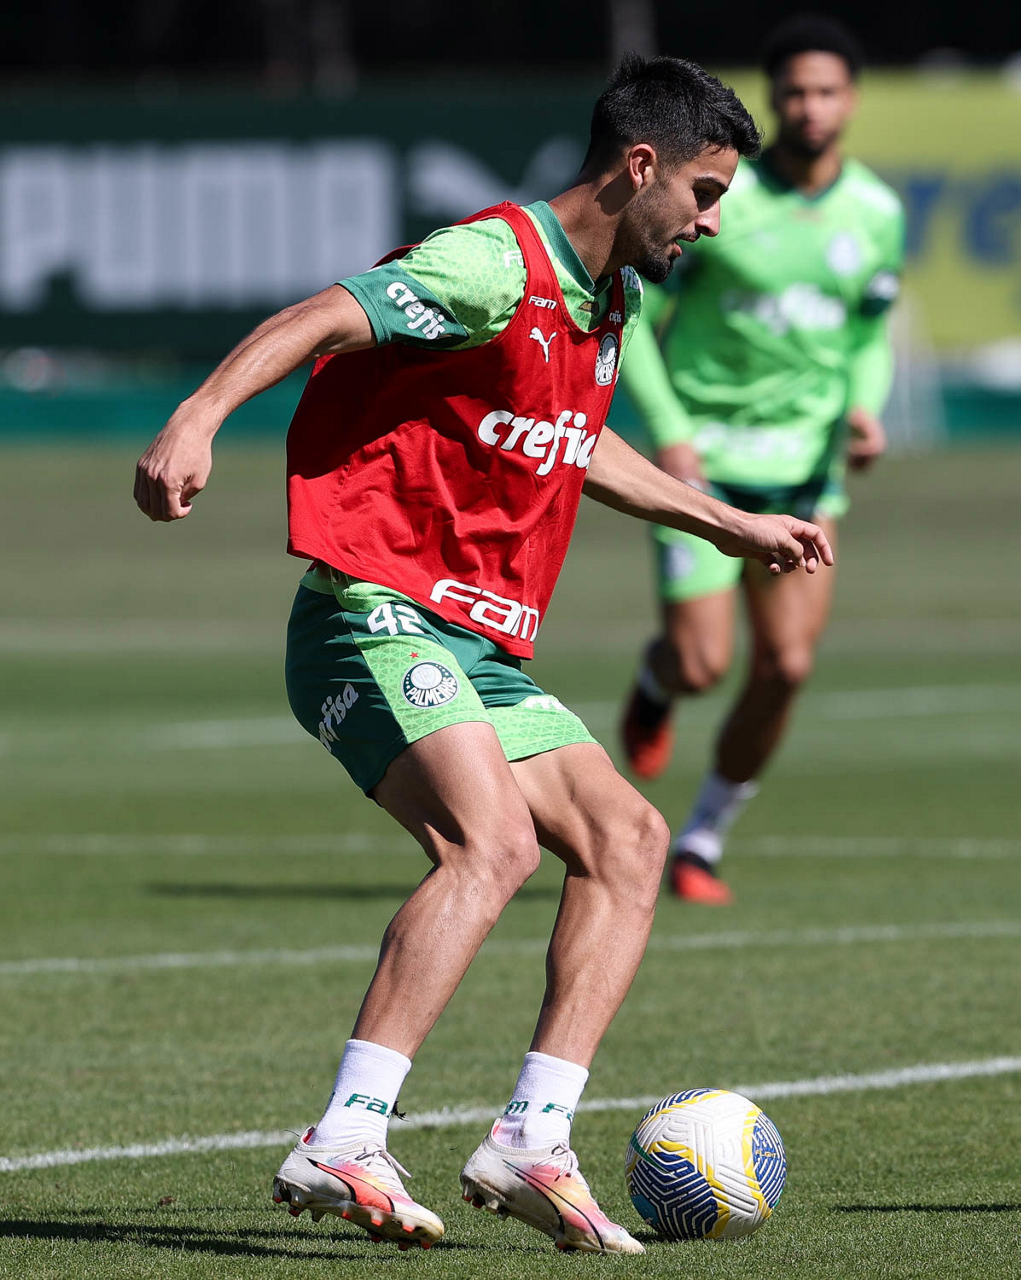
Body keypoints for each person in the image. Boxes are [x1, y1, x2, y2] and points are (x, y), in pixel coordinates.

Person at [134, 53, 831, 1256]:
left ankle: (531, 1139)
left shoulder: (604, 296)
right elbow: (319, 315)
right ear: (641, 166)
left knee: (628, 840)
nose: (712, 222)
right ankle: (346, 1133)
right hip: (369, 609)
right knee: (492, 841)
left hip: (473, 642)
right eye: (705, 193)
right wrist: (197, 416)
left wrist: (724, 520)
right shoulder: (491, 263)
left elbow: (576, 441)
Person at [619, 16, 903, 906]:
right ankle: (657, 678)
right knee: (702, 664)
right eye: (795, 92)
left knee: (785, 667)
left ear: (850, 100)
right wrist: (669, 427)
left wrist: (863, 406)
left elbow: (868, 332)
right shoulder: (718, 199)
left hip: (806, 472)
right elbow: (633, 319)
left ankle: (701, 840)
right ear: (774, 99)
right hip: (705, 463)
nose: (810, 107)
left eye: (826, 91)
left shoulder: (876, 212)